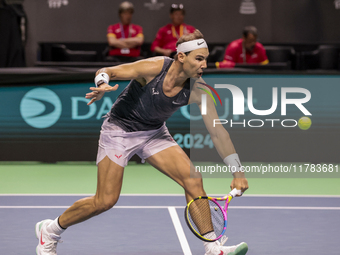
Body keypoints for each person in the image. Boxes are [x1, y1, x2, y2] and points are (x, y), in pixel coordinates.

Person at [35, 29, 249, 255]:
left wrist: (238, 172)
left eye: (206, 59)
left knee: (193, 180)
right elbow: (107, 71)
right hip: (119, 129)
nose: (204, 64)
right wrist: (102, 83)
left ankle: (213, 247)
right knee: (105, 201)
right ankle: (50, 230)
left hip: (154, 133)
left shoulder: (200, 90)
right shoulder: (154, 68)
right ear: (181, 57)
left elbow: (218, 133)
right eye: (199, 58)